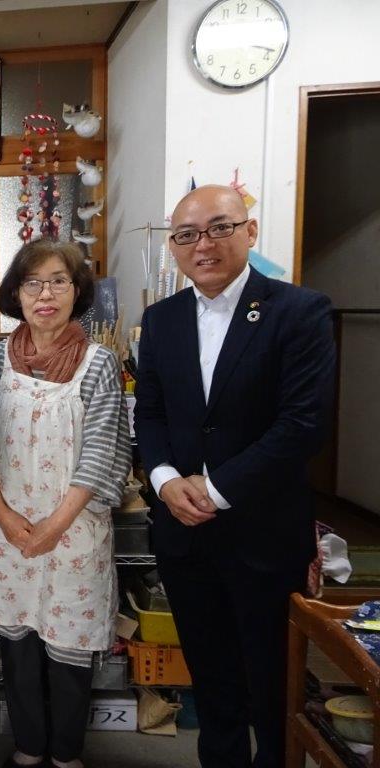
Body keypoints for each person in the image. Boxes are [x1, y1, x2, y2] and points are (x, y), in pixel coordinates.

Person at [134, 185, 336, 768]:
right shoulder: (162, 319)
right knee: (212, 677)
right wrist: (165, 479)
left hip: (264, 530)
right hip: (185, 533)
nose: (203, 245)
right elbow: (150, 413)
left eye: (219, 227)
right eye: (187, 235)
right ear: (174, 246)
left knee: (271, 681)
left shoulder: (298, 311)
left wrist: (217, 489)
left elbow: (303, 424)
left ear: (250, 232)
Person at [0, 240, 130, 768]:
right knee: (16, 644)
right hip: (7, 527)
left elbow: (102, 451)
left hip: (74, 527)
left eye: (59, 281)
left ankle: (66, 753)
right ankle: (27, 747)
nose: (46, 294)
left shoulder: (99, 362)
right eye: (33, 282)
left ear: (76, 291)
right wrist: (3, 514)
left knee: (69, 649)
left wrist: (53, 527)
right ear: (15, 293)